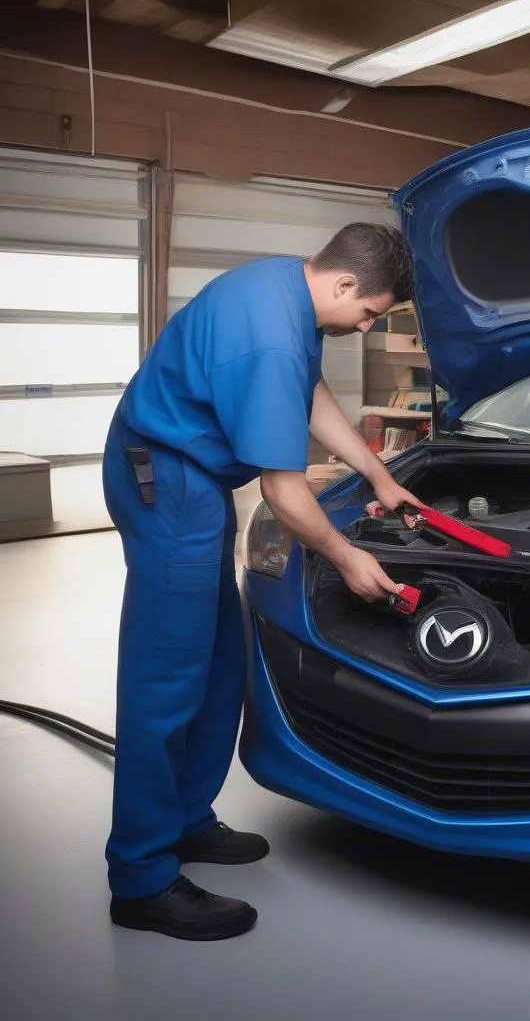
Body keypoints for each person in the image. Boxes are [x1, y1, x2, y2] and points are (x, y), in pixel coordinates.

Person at [101, 223, 422, 941]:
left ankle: (186, 820)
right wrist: (347, 558)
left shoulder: (287, 287)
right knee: (167, 678)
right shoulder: (273, 333)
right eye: (369, 313)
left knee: (220, 659)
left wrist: (379, 473)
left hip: (194, 476)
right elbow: (284, 492)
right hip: (166, 477)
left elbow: (308, 397)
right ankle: (141, 877)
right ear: (343, 284)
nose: (365, 325)